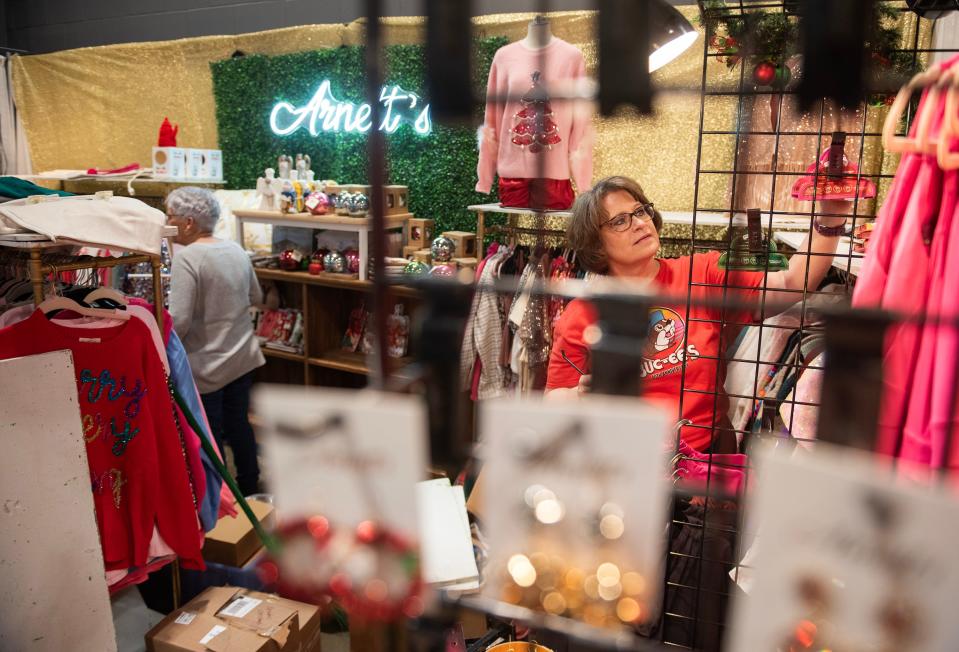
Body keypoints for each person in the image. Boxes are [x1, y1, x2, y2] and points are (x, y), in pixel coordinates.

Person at [545, 176, 849, 453]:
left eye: (640, 211)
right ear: (595, 241)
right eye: (620, 221)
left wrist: (830, 218)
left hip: (709, 459)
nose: (639, 223)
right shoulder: (582, 313)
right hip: (627, 462)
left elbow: (791, 282)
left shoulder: (701, 274)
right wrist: (579, 394)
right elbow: (553, 400)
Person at [166, 187, 265, 495]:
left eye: (170, 216)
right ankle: (250, 486)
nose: (167, 223)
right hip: (242, 358)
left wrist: (160, 348)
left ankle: (220, 499)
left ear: (189, 222)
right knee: (239, 426)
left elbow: (179, 320)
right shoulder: (234, 249)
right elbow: (256, 297)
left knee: (209, 434)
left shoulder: (187, 259)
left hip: (208, 366)